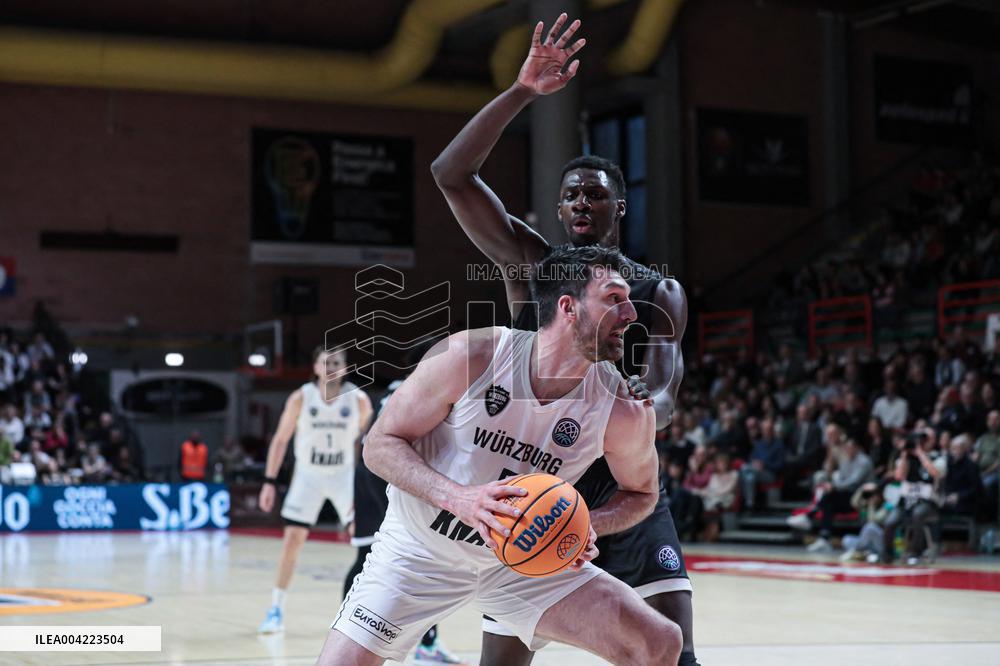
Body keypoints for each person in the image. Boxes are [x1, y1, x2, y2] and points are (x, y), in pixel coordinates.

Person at [431, 13, 698, 665]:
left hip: (622, 493)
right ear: (558, 210)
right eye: (572, 195)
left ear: (619, 208)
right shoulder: (530, 262)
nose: (582, 203)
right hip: (536, 485)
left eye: (596, 196)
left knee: (675, 654)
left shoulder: (656, 290)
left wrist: (634, 409)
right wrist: (521, 92)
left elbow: (663, 392)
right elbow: (451, 174)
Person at [317, 245, 682, 666]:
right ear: (568, 307)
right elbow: (379, 445)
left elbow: (642, 494)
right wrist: (462, 500)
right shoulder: (471, 356)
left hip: (527, 560)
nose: (632, 314)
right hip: (420, 553)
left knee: (658, 644)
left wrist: (586, 525)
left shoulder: (622, 408)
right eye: (614, 299)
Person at [345, 342, 465, 664]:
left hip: (370, 472)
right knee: (429, 554)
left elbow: (368, 440)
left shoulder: (394, 390)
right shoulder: (430, 389)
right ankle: (426, 646)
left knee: (366, 555)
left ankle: (351, 629)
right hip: (396, 474)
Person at [257, 347, 373, 634]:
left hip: (344, 476)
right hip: (307, 476)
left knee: (365, 543)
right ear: (316, 367)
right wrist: (269, 481)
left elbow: (372, 442)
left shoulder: (358, 399)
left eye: (336, 362)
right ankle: (276, 609)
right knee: (292, 543)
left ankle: (364, 611)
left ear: (344, 368)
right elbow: (281, 440)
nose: (331, 367)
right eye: (326, 362)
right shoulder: (301, 397)